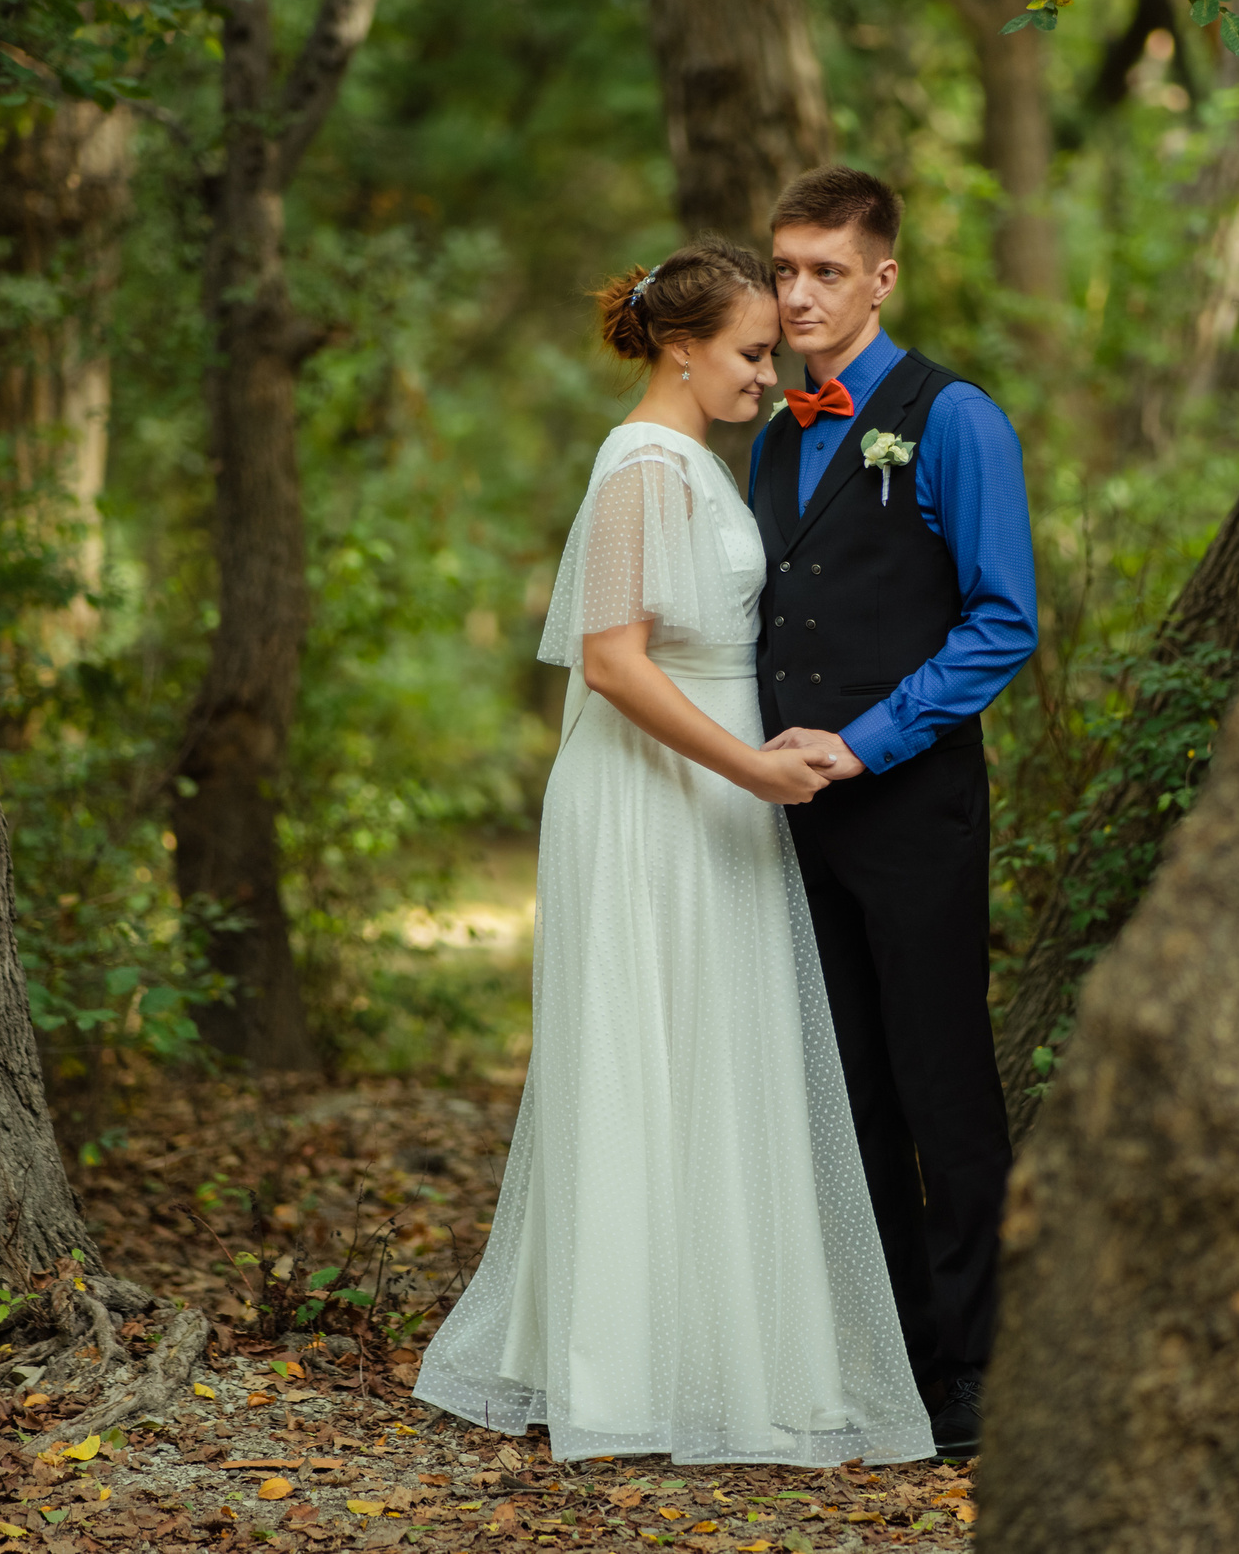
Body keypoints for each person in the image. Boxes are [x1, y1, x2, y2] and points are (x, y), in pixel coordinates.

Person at [412, 238, 933, 1468]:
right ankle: (626, 1366)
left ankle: (714, 1343)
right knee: (649, 1049)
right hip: (654, 798)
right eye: (751, 353)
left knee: (713, 1053)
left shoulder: (693, 459)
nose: (769, 374)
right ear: (683, 349)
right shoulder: (643, 465)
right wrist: (747, 766)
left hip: (713, 793)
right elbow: (611, 660)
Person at [750, 167, 1039, 1460]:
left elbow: (1002, 622)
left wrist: (861, 743)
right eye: (783, 270)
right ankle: (894, 1358)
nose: (798, 294)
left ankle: (978, 1366)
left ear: (883, 277)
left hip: (914, 808)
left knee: (941, 1084)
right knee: (845, 1088)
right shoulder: (773, 433)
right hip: (790, 820)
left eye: (825, 270)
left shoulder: (955, 419)